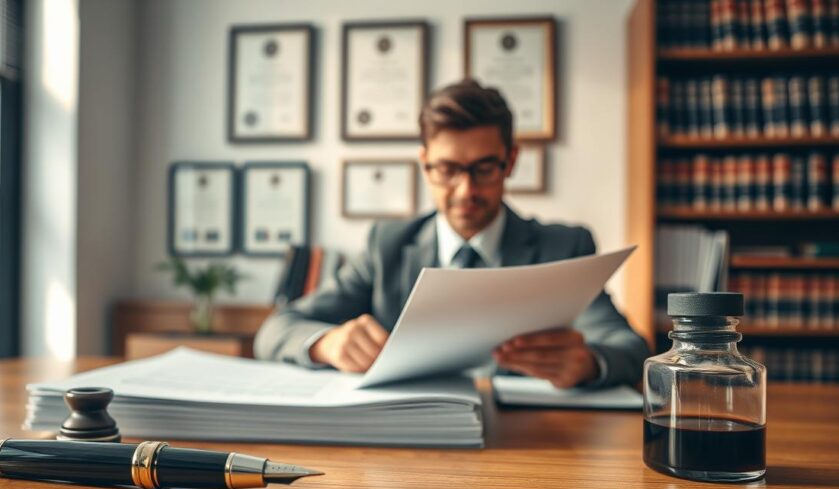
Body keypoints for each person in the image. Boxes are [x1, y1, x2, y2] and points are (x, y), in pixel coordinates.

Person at [254, 79, 649, 388]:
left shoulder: (564, 247)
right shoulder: (387, 246)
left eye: (483, 168)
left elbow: (631, 348)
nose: (466, 191)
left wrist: (588, 363)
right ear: (424, 163)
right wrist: (327, 344)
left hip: (530, 445)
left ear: (510, 160)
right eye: (447, 169)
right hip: (411, 449)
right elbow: (276, 329)